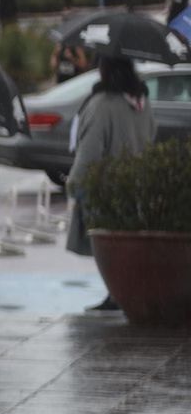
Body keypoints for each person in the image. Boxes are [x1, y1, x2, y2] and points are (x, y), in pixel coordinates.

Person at [66, 55, 156, 313]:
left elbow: (89, 153)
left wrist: (74, 184)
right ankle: (121, 293)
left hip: (105, 190)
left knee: (108, 246)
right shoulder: (142, 102)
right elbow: (150, 137)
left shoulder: (102, 105)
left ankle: (117, 294)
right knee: (125, 246)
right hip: (135, 187)